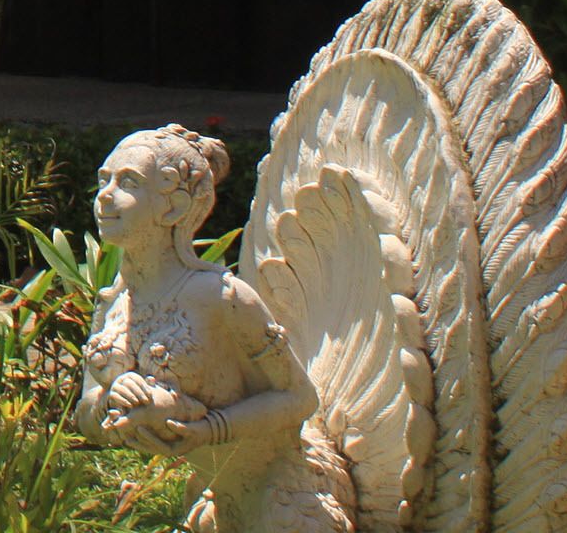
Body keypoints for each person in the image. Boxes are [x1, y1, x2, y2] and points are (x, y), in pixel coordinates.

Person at [71, 125, 356, 533]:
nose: (105, 196)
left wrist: (209, 431)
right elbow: (86, 416)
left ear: (173, 207)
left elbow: (298, 398)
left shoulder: (221, 298)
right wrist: (112, 401)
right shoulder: (113, 303)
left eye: (128, 182)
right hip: (213, 501)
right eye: (104, 180)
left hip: (287, 502)